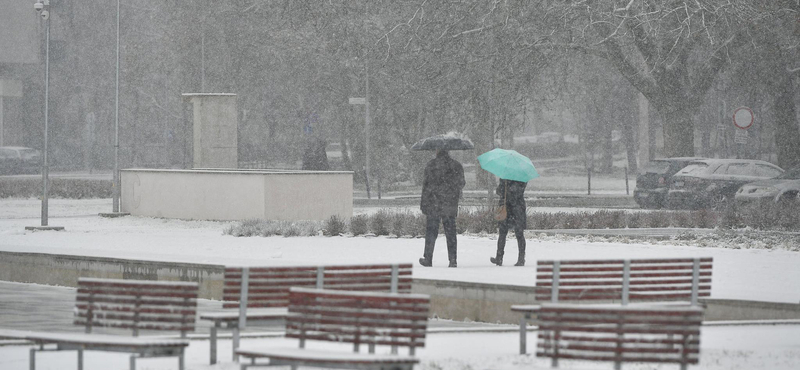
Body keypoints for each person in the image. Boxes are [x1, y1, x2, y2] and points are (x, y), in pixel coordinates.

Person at [419, 149, 465, 268]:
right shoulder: (456, 165)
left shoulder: (431, 165)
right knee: (451, 233)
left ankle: (428, 258)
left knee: (431, 232)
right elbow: (461, 183)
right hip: (449, 204)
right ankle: (453, 259)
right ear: (448, 151)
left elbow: (426, 185)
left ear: (436, 151)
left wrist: (423, 203)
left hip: (433, 204)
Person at [490, 178, 527, 266]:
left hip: (507, 207)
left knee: (503, 233)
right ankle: (521, 258)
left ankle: (499, 257)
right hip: (518, 207)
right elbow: (519, 191)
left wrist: (504, 189)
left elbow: (499, 191)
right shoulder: (522, 177)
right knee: (519, 234)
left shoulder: (505, 177)